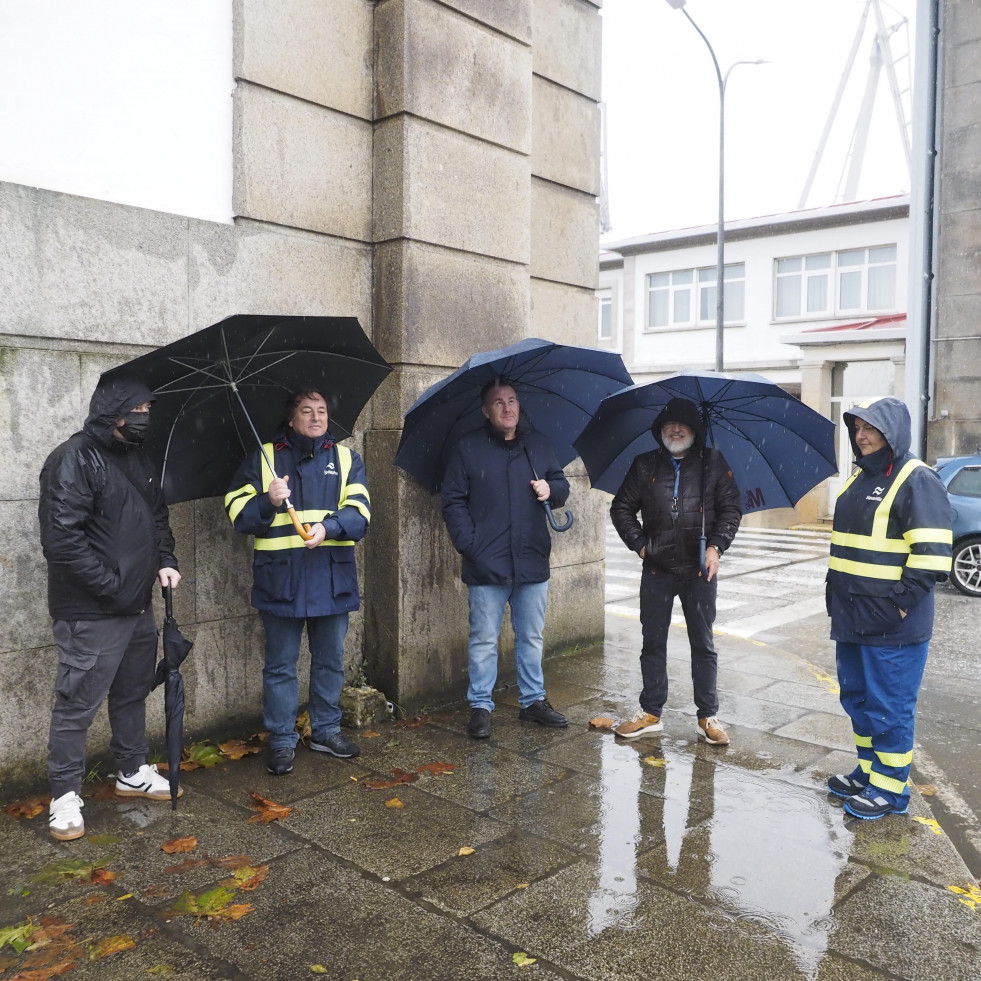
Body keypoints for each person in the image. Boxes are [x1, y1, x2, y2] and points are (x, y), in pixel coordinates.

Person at [39, 378, 182, 842]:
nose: (145, 415)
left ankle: (132, 770)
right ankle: (63, 795)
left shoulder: (137, 458)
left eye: (148, 407)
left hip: (136, 605)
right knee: (77, 703)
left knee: (132, 692)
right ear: (113, 412)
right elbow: (63, 541)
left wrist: (166, 561)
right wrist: (114, 587)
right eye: (136, 408)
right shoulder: (73, 459)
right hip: (90, 611)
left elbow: (158, 517)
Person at [225, 388, 370, 776]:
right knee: (280, 667)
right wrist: (267, 501)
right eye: (307, 410)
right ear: (292, 418)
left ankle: (325, 731)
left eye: (321, 410)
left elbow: (360, 514)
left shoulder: (345, 458)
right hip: (282, 582)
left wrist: (328, 527)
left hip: (330, 578)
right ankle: (283, 740)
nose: (316, 416)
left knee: (329, 663)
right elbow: (237, 513)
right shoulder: (265, 458)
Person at [825, 397, 951, 820]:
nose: (861, 437)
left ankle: (890, 790)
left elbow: (932, 557)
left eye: (871, 429)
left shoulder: (916, 478)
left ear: (891, 433)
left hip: (891, 625)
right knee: (858, 699)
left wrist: (897, 608)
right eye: (857, 429)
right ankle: (869, 772)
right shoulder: (860, 477)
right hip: (851, 617)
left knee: (889, 706)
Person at [441, 379, 571, 739]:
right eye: (498, 403)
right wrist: (470, 545)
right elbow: (452, 500)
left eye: (512, 401)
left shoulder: (538, 445)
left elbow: (561, 485)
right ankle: (480, 705)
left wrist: (551, 489)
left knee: (531, 636)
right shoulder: (468, 448)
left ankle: (533, 702)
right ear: (486, 411)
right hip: (486, 563)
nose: (508, 408)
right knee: (483, 639)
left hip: (531, 560)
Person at [610, 397, 742, 745]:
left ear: (695, 430)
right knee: (653, 641)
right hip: (657, 570)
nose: (676, 429)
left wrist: (716, 547)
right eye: (670, 424)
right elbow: (621, 508)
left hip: (699, 571)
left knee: (703, 642)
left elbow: (731, 510)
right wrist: (641, 545)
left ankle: (707, 716)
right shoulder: (644, 465)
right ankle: (651, 711)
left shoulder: (713, 463)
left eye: (683, 424)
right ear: (660, 430)